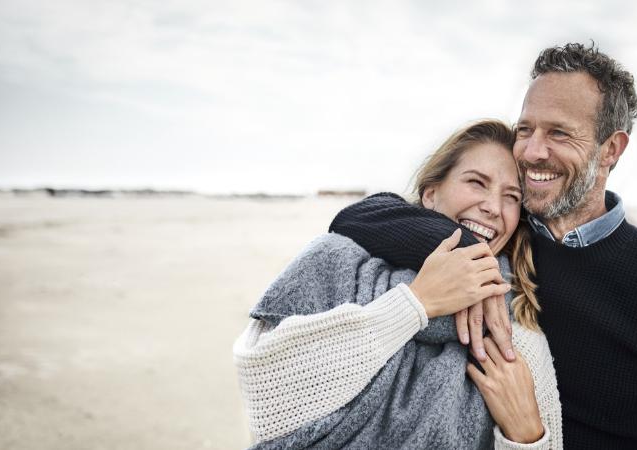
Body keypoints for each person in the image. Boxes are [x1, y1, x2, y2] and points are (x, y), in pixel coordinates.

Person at [330, 43, 637, 449]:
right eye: (526, 129)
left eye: (559, 133)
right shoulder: (500, 233)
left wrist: (528, 432)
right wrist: (467, 251)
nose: (533, 151)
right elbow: (359, 216)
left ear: (610, 148)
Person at [234, 120, 562, 449]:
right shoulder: (335, 258)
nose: (492, 207)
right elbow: (264, 393)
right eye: (477, 182)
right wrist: (415, 304)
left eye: (511, 197)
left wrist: (526, 434)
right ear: (431, 194)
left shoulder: (515, 323)